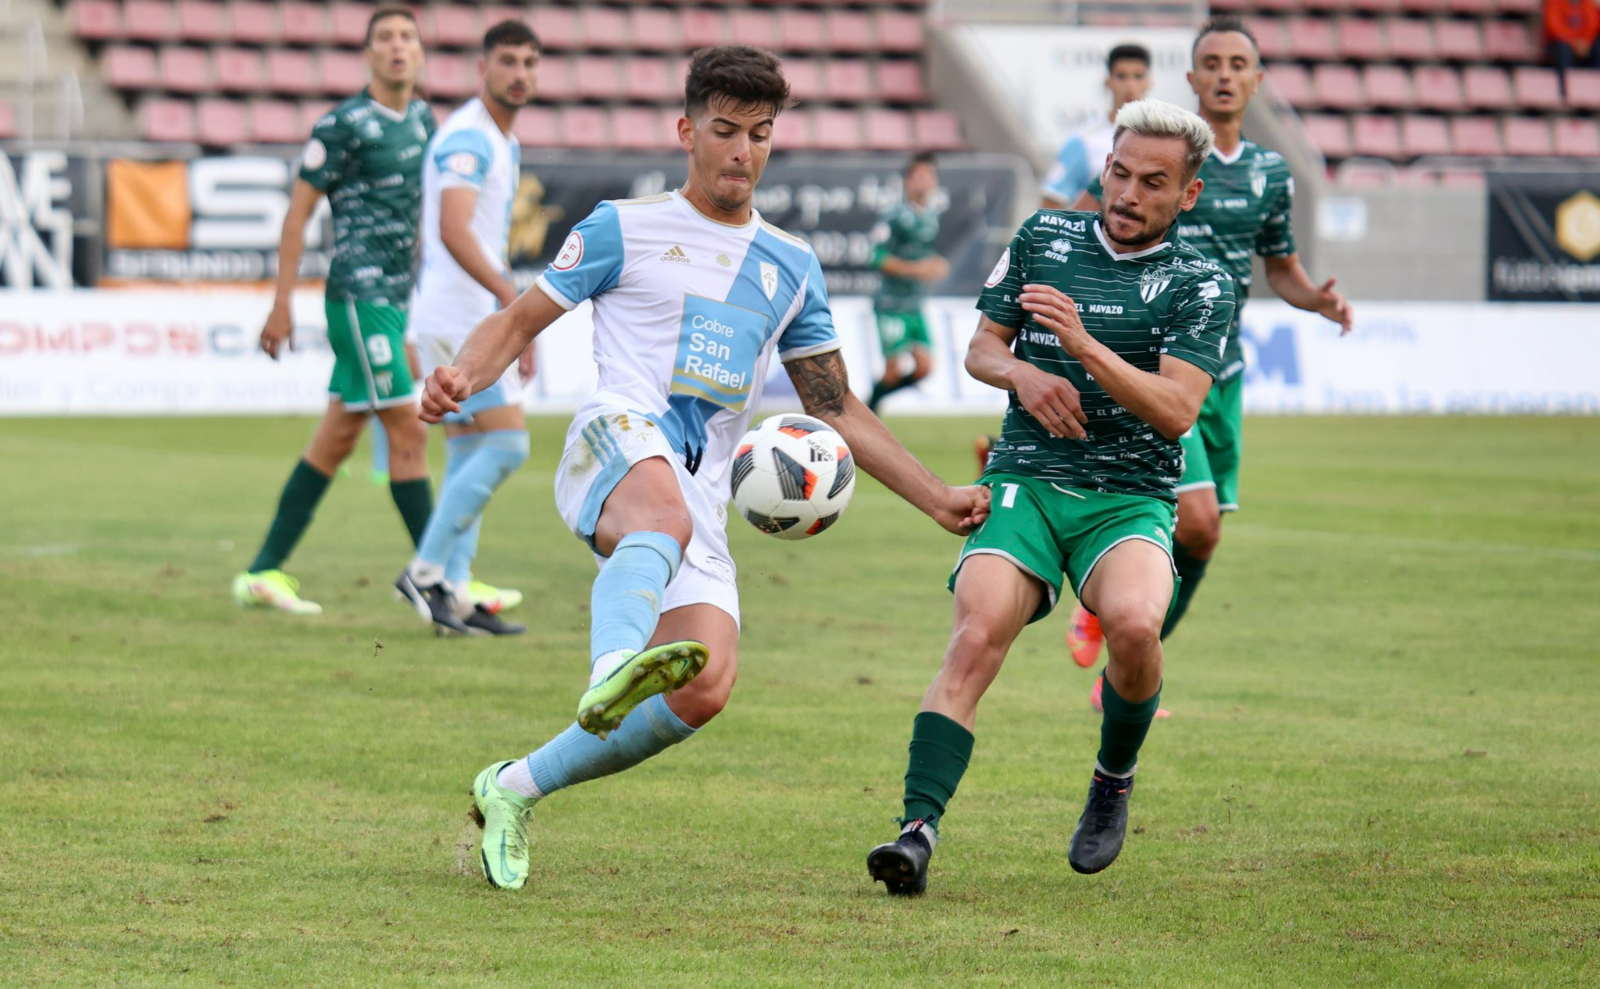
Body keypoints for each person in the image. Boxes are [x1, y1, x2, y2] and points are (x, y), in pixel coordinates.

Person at [420, 46, 990, 890]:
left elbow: (834, 406)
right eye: (724, 131)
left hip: (699, 488)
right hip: (614, 440)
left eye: (760, 135)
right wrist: (466, 373)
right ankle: (611, 664)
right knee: (660, 519)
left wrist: (937, 496)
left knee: (704, 686)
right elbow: (520, 318)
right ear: (687, 131)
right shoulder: (622, 225)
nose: (741, 152)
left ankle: (511, 786)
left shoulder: (791, 265)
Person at [866, 99, 1237, 895]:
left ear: (1189, 195)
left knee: (1135, 627)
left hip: (1129, 495)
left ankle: (1113, 776)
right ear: (1103, 167)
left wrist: (1079, 346)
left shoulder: (1203, 282)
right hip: (1027, 480)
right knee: (976, 629)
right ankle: (916, 829)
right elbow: (981, 349)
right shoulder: (1044, 238)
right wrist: (1024, 373)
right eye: (1119, 172)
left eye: (1153, 182)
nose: (1128, 194)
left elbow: (1176, 410)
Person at [1067, 19, 1353, 690]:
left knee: (1204, 536)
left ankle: (1124, 659)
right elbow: (1084, 222)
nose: (1225, 74)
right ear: (1191, 80)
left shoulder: (1270, 172)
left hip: (1224, 372)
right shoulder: (1158, 157)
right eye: (1211, 64)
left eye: (1238, 64)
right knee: (1193, 519)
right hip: (1159, 368)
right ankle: (1115, 631)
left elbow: (1278, 267)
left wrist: (1316, 298)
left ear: (1257, 80)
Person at [231, 6, 436, 615]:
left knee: (337, 438)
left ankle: (263, 571)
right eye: (385, 39)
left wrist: (414, 319)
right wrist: (280, 305)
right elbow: (298, 216)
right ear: (368, 54)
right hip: (357, 297)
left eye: (407, 37)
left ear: (420, 52)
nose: (397, 47)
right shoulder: (341, 125)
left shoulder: (426, 120)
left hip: (394, 303)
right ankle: (441, 575)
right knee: (408, 432)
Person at [394, 19, 542, 636]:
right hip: (460, 318)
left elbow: (473, 235)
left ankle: (451, 591)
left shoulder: (501, 142)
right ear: (482, 69)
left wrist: (513, 321)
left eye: (530, 63)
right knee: (508, 445)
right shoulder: (470, 138)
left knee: (468, 454)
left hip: (463, 314)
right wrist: (511, 301)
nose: (520, 73)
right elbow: (453, 230)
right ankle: (424, 574)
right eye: (507, 61)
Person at [865, 152, 947, 413]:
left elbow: (919, 255)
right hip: (891, 303)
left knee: (925, 368)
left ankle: (869, 406)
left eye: (929, 176)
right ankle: (869, 411)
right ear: (907, 182)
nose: (924, 181)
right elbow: (876, 256)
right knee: (892, 372)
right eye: (918, 176)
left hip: (915, 304)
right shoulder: (894, 217)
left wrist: (935, 264)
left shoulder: (931, 217)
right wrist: (916, 269)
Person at [1040, 44, 1152, 210]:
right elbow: (1051, 200)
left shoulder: (1161, 138)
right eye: (1121, 76)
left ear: (1148, 82)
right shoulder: (1084, 141)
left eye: (1138, 76)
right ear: (1108, 82)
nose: (1130, 85)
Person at [1545, 0, 1600, 97]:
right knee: (1563, 49)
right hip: (1560, 43)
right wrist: (1573, 42)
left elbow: (1592, 23)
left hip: (1583, 42)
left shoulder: (1586, 2)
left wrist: (1585, 40)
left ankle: (1596, 87)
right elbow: (1554, 26)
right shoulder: (1554, 1)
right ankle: (1565, 90)